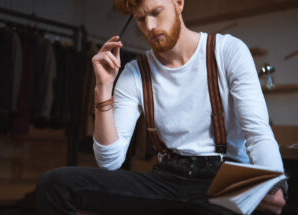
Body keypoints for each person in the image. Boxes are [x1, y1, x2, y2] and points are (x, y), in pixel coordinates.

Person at [36, 0, 287, 214]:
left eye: (156, 12)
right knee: (55, 183)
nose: (150, 27)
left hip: (223, 178)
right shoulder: (135, 73)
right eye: (140, 19)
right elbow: (110, 162)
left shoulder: (228, 51)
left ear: (178, 2)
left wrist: (274, 185)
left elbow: (257, 133)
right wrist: (103, 88)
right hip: (166, 178)